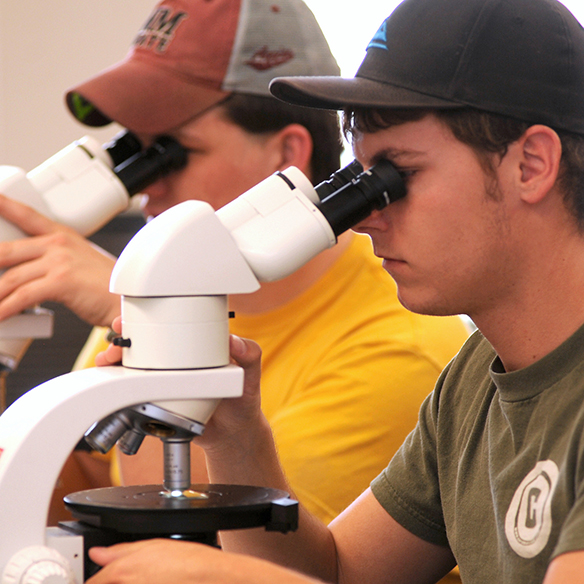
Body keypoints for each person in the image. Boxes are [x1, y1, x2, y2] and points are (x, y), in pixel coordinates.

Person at [86, 0, 584, 582]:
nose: (367, 217)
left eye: (398, 176)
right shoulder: (475, 378)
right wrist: (237, 438)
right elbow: (341, 573)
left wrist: (227, 577)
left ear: (530, 164)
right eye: (360, 180)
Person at [0, 0, 469, 530]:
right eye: (137, 153)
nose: (146, 186)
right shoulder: (169, 287)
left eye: (172, 153)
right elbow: (67, 492)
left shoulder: (396, 353)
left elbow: (222, 555)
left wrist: (160, 340)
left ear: (285, 156)